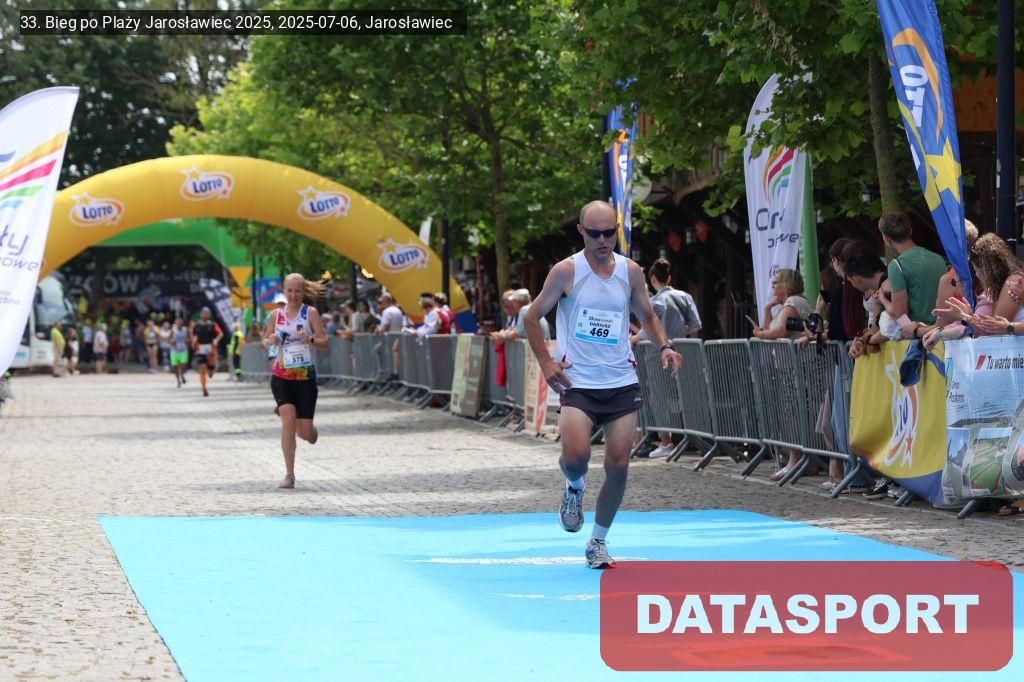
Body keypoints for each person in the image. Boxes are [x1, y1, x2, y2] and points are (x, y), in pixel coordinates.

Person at [524, 200, 682, 569]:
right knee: (575, 458)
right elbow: (532, 317)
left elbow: (647, 314)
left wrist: (665, 346)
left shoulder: (631, 272)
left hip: (621, 381)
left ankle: (597, 540)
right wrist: (546, 363)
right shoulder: (566, 271)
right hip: (577, 382)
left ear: (617, 230)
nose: (602, 240)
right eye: (594, 233)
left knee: (619, 464)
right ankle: (574, 487)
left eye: (609, 232)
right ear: (581, 231)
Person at [261, 273, 329, 489]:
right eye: (289, 291)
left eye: (297, 291)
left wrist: (310, 339)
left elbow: (324, 341)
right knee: (288, 420)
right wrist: (271, 340)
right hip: (281, 375)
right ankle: (289, 474)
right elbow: (265, 340)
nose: (293, 295)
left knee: (305, 433)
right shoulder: (276, 315)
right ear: (284, 291)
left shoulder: (310, 313)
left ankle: (310, 432)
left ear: (303, 292)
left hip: (305, 377)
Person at [631, 258, 701, 458]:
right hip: (684, 350)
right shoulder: (685, 296)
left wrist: (634, 339)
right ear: (669, 278)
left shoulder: (654, 301)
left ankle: (666, 441)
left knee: (660, 396)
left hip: (657, 353)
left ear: (652, 279)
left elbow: (648, 330)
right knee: (686, 394)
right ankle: (691, 437)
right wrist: (678, 334)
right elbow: (695, 325)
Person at [879, 211, 947, 329]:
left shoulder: (897, 266)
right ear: (910, 231)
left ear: (887, 239)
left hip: (918, 333)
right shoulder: (938, 259)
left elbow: (899, 313)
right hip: (943, 329)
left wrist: (882, 298)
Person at [751, 268, 814, 341]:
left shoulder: (793, 301)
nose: (772, 286)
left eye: (775, 283)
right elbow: (768, 333)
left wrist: (759, 334)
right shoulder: (788, 304)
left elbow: (781, 332)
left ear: (786, 285)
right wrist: (767, 308)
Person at [190, 307, 223, 397]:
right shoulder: (197, 326)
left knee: (210, 372)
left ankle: (211, 370)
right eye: (203, 313)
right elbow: (195, 335)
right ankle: (204, 388)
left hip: (210, 349)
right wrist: (194, 341)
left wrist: (216, 340)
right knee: (203, 368)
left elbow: (220, 334)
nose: (205, 315)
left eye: (207, 314)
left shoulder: (213, 325)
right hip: (200, 349)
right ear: (201, 314)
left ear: (209, 315)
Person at [169, 317, 189, 387]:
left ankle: (182, 375)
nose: (179, 324)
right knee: (174, 367)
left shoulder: (185, 330)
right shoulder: (173, 330)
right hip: (174, 351)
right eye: (178, 323)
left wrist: (187, 341)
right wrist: (171, 342)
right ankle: (178, 380)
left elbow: (189, 338)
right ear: (175, 323)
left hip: (183, 350)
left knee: (183, 365)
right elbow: (169, 339)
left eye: (180, 323)